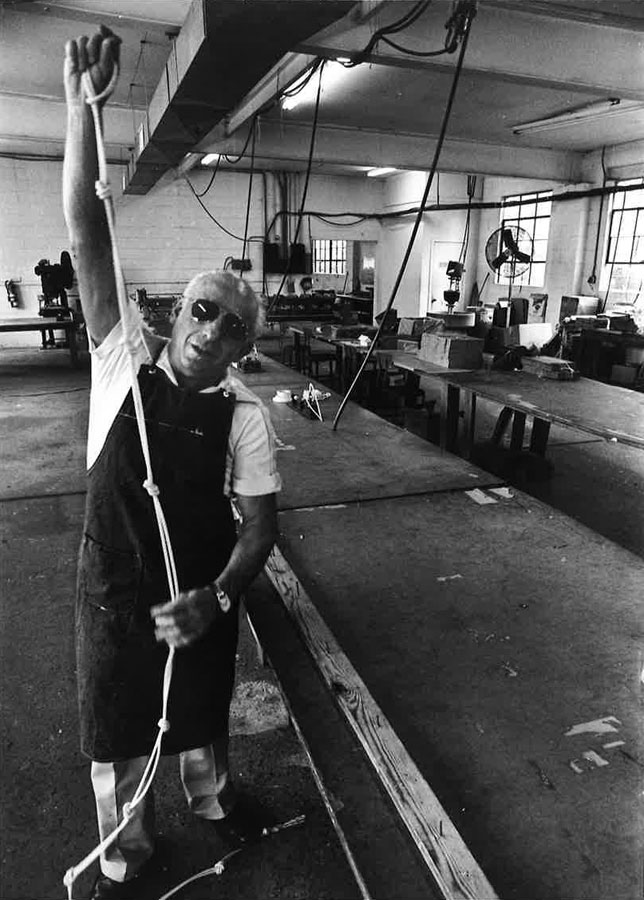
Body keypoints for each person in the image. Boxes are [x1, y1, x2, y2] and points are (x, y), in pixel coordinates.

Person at [63, 26, 280, 900]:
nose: (213, 329)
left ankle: (212, 797)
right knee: (116, 728)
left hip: (199, 590)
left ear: (243, 349)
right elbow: (86, 226)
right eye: (203, 309)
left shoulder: (245, 416)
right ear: (176, 310)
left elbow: (261, 528)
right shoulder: (121, 364)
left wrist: (218, 596)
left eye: (234, 326)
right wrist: (85, 109)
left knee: (200, 714)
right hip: (114, 592)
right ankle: (125, 853)